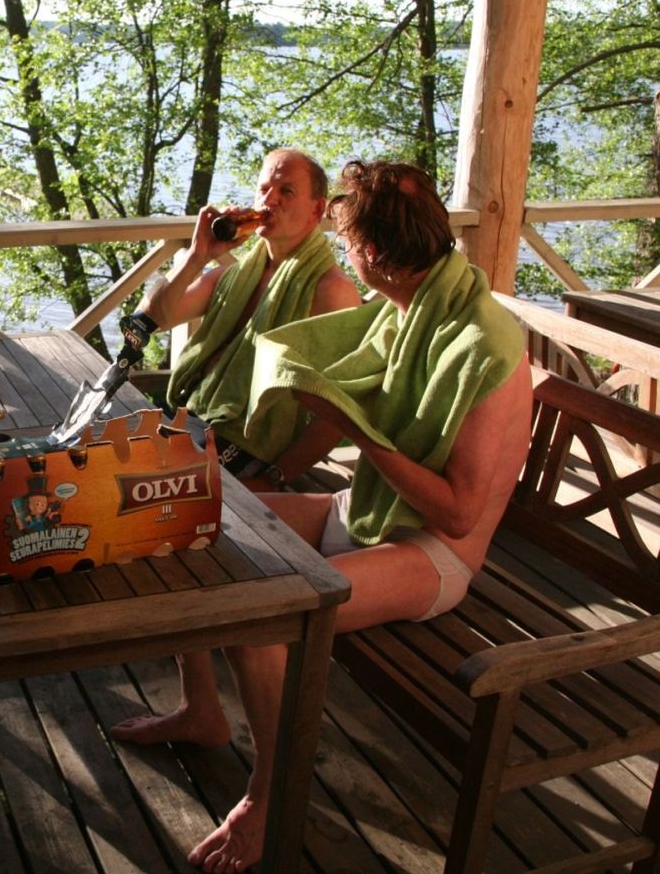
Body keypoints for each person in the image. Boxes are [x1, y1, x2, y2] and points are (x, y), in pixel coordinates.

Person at [113, 160, 533, 873]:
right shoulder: (412, 306)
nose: (343, 255)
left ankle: (271, 793)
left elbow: (460, 516)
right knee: (192, 519)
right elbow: (339, 363)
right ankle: (202, 712)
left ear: (368, 253)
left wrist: (356, 428)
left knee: (260, 619)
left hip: (433, 551)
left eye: (345, 240)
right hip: (364, 510)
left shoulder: (480, 342)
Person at [134, 148, 360, 490]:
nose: (269, 200)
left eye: (286, 191)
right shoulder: (235, 275)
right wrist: (197, 256)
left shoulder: (331, 291)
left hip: (249, 450)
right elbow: (152, 316)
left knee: (125, 484)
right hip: (190, 418)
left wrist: (274, 479)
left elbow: (341, 410)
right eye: (264, 189)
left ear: (316, 210)